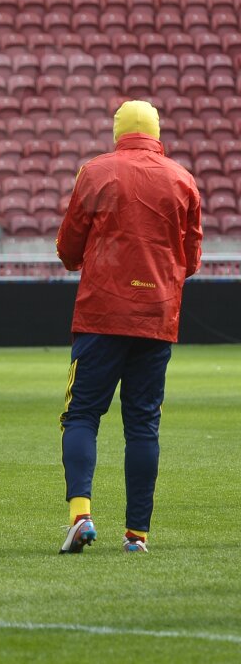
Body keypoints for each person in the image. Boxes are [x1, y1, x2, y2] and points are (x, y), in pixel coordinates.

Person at [56, 100, 202, 555]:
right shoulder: (183, 180)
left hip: (101, 315)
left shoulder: (95, 172)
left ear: (118, 130)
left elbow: (69, 248)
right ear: (156, 131)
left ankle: (81, 515)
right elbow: (191, 258)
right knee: (143, 426)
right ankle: (137, 534)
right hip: (156, 317)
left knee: (81, 415)